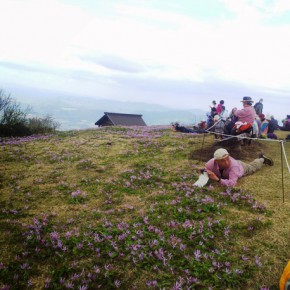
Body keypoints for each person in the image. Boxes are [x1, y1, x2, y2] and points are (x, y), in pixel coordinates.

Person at [204, 148, 273, 187]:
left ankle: (262, 159)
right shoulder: (211, 163)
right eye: (222, 161)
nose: (226, 162)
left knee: (253, 167)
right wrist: (204, 172)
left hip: (241, 167)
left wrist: (218, 179)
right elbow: (206, 169)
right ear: (216, 161)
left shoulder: (234, 166)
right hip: (236, 163)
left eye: (228, 159)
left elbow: (232, 183)